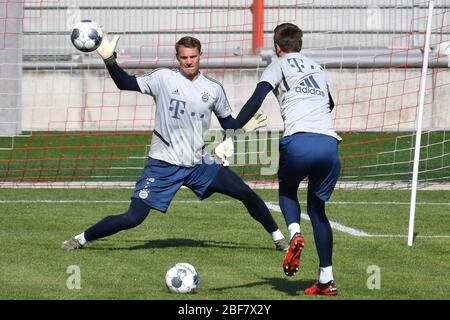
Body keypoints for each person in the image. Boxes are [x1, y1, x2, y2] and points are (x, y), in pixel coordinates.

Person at [61, 32, 290, 252]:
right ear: (177, 58)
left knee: (245, 192)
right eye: (184, 57)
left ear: (200, 56)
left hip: (199, 163)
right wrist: (109, 59)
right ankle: (81, 239)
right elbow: (124, 83)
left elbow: (228, 124)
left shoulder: (213, 89)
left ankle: (279, 239)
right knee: (133, 218)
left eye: (192, 57)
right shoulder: (163, 78)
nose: (188, 62)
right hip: (163, 165)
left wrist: (244, 127)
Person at [215, 23, 341, 296]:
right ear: (300, 45)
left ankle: (294, 233)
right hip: (330, 144)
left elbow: (256, 99)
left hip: (299, 141)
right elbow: (330, 104)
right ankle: (326, 280)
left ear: (277, 46)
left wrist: (232, 131)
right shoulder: (317, 67)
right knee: (318, 210)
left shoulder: (278, 65)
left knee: (286, 188)